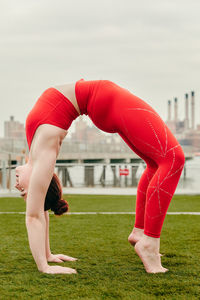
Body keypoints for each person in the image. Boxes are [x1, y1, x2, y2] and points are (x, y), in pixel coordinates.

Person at [15, 79, 185, 274]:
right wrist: (44, 267)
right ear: (41, 180)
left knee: (156, 164)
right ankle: (150, 243)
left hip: (102, 99)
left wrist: (48, 255)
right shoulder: (44, 151)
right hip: (105, 99)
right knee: (174, 158)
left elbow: (40, 207)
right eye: (24, 191)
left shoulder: (34, 146)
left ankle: (140, 233)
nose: (18, 187)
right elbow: (34, 215)